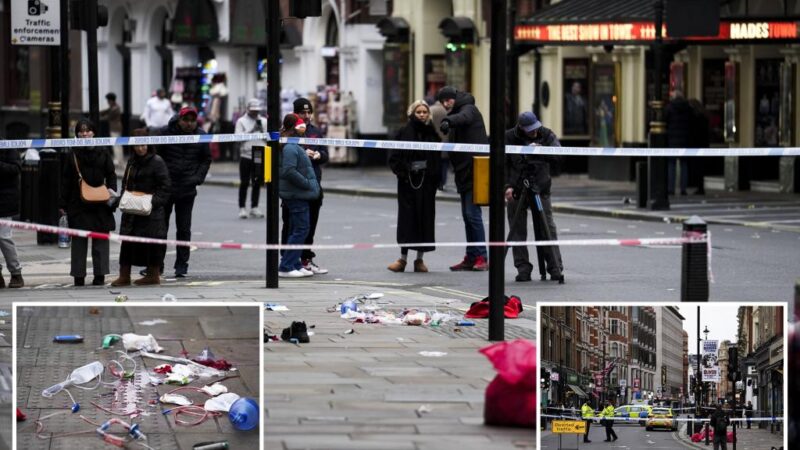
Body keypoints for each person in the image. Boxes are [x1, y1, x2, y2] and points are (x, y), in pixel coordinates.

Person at [504, 112, 565, 283]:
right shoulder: (509, 137)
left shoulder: (546, 134)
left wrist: (540, 151)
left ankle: (554, 267)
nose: (534, 132)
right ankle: (523, 269)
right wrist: (507, 187)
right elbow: (502, 164)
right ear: (521, 128)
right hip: (517, 187)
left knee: (547, 228)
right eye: (530, 130)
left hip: (541, 185)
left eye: (535, 128)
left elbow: (559, 155)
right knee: (517, 229)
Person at [152, 106, 212, 278]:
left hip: (187, 189)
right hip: (166, 189)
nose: (189, 124)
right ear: (179, 119)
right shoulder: (165, 133)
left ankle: (181, 266)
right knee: (160, 228)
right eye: (186, 120)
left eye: (192, 121)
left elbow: (206, 159)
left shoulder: (201, 135)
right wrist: (161, 179)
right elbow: (157, 156)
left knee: (184, 229)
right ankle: (157, 265)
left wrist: (197, 178)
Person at [60, 118, 117, 286]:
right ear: (77, 134)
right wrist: (62, 204)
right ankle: (79, 276)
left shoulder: (104, 151)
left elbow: (111, 174)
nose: (85, 134)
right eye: (81, 131)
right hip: (78, 202)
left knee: (101, 238)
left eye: (88, 130)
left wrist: (111, 192)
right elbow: (66, 180)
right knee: (78, 241)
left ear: (94, 132)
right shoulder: (73, 154)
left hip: (100, 200)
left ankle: (100, 275)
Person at [437, 86, 488, 271]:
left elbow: (463, 118)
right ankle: (472, 255)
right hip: (463, 171)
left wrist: (448, 120)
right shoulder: (458, 111)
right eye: (443, 102)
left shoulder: (468, 108)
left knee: (473, 215)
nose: (445, 104)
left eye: (447, 100)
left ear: (454, 98)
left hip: (475, 170)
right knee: (467, 216)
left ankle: (482, 256)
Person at [111, 129, 171, 286]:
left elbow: (165, 187)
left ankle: (153, 276)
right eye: (137, 145)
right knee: (128, 243)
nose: (140, 148)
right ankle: (124, 276)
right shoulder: (131, 161)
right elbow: (125, 183)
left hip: (150, 212)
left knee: (152, 244)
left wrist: (152, 202)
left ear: (148, 144)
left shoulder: (157, 162)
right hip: (132, 210)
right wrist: (124, 197)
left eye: (143, 144)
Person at [387, 100, 441, 273]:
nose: (422, 115)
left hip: (426, 184)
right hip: (407, 183)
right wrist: (404, 173)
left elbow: (437, 159)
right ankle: (402, 259)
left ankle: (419, 260)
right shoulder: (403, 132)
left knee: (424, 220)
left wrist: (434, 177)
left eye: (425, 112)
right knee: (407, 220)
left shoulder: (432, 133)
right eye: (419, 112)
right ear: (412, 113)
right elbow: (394, 157)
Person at [280, 97, 329, 274]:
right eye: (303, 113)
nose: (307, 116)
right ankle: (287, 261)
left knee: (308, 226)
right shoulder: (288, 135)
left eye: (309, 112)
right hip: (297, 188)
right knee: (293, 226)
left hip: (313, 185)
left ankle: (304, 260)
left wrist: (318, 156)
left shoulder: (316, 132)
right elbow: (287, 167)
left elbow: (325, 154)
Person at [278, 114, 319, 278]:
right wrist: (307, 183)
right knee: (301, 228)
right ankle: (286, 266)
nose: (304, 128)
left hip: (297, 193)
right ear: (294, 127)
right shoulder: (289, 146)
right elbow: (289, 170)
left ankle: (294, 263)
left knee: (297, 229)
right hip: (296, 193)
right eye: (301, 125)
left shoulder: (293, 144)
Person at [234, 98, 268, 219]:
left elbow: (269, 138)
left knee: (257, 181)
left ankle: (254, 207)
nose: (255, 113)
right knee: (244, 182)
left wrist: (262, 131)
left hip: (259, 152)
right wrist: (251, 130)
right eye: (253, 110)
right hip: (246, 154)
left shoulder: (264, 121)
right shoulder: (241, 121)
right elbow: (237, 138)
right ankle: (242, 207)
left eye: (257, 110)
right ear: (247, 109)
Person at [0, 147, 24, 288]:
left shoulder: (8, 146)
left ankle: (16, 273)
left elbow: (15, 169)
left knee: (4, 238)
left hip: (4, 201)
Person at [665, 90, 693, 196]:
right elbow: (691, 122)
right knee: (684, 164)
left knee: (671, 164)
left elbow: (665, 120)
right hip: (684, 140)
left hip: (672, 139)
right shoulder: (688, 108)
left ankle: (671, 188)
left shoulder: (669, 108)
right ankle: (683, 188)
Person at [688, 99, 710, 195]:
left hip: (695, 145)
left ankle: (699, 187)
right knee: (700, 168)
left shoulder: (694, 117)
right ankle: (700, 187)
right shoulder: (704, 116)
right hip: (703, 145)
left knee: (697, 168)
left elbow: (694, 132)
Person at [428, 97, 450, 191]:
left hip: (434, 141)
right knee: (444, 164)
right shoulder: (446, 111)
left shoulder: (431, 110)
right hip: (445, 141)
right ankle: (442, 183)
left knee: (434, 163)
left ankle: (435, 182)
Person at [100, 92, 124, 165]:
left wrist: (99, 118)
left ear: (111, 100)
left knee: (116, 144)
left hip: (115, 128)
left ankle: (118, 159)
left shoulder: (115, 108)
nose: (107, 102)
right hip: (115, 127)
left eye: (108, 100)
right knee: (118, 144)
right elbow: (106, 111)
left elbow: (108, 116)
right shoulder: (114, 107)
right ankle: (119, 159)